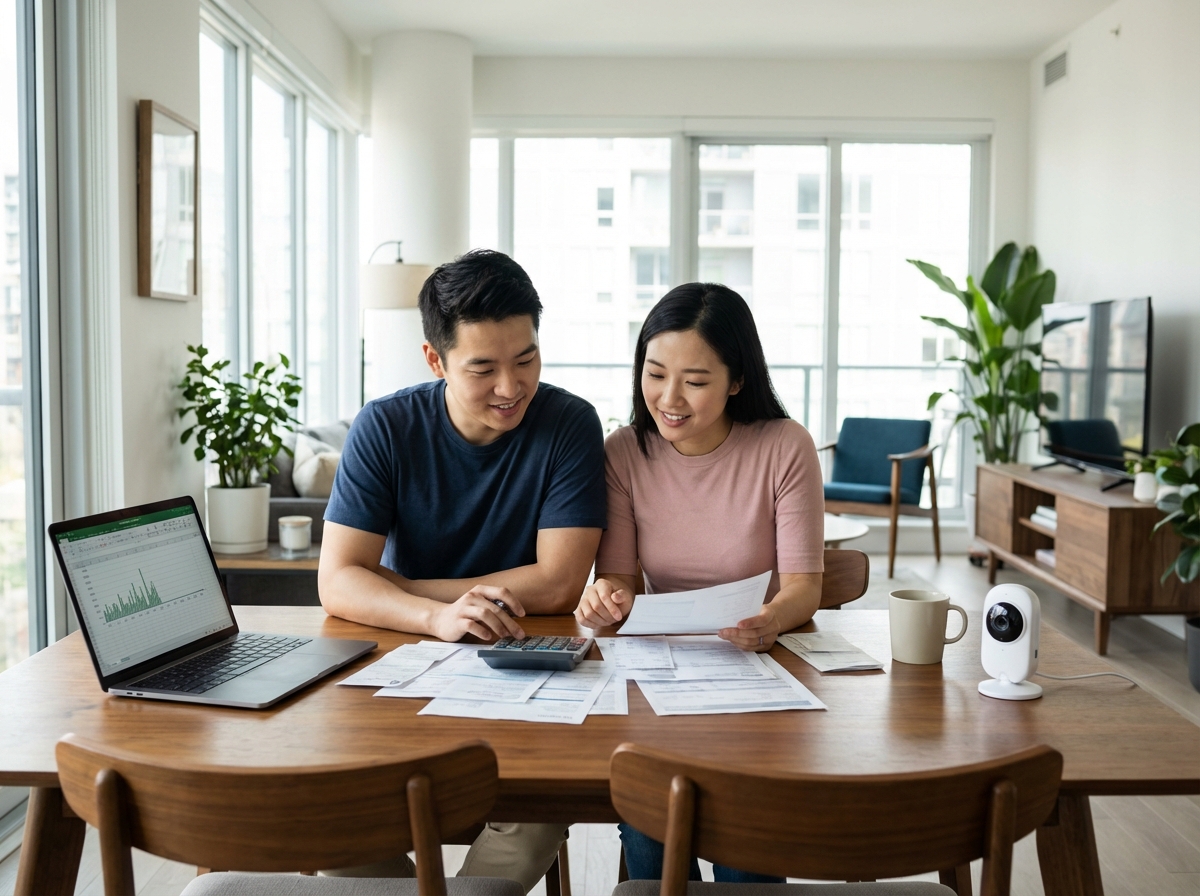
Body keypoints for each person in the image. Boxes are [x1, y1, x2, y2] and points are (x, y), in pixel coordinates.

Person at [319, 249, 607, 892]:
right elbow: (338, 580)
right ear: (435, 360)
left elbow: (560, 581)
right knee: (336, 803)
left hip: (529, 666)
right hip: (406, 666)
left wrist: (404, 587)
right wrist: (434, 617)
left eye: (526, 360)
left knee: (534, 809)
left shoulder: (569, 424)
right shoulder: (385, 427)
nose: (511, 387)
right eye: (484, 368)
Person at [574, 282, 824, 884]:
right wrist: (607, 600)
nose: (669, 398)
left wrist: (770, 620)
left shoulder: (785, 447)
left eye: (695, 380)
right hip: (661, 681)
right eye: (655, 373)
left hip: (757, 675)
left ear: (737, 380)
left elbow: (803, 589)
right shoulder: (624, 453)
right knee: (649, 824)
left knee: (745, 849)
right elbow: (618, 579)